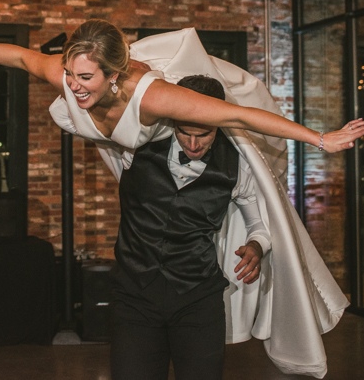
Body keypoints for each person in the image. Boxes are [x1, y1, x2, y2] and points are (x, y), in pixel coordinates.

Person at [0, 20, 364, 377]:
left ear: (114, 74)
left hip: (193, 288)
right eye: (69, 74)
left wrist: (319, 139)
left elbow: (238, 113)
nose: (73, 86)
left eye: (85, 77)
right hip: (135, 284)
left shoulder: (155, 98)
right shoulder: (67, 78)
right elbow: (22, 58)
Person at [111, 75, 269, 380]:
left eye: (205, 134)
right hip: (134, 296)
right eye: (185, 133)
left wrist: (256, 247)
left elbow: (259, 225)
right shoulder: (132, 148)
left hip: (198, 299)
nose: (194, 144)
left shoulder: (239, 166)